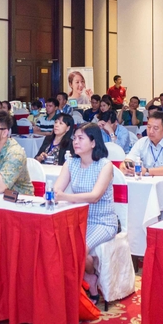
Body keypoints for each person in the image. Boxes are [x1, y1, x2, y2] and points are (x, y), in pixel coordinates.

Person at [52, 122, 118, 293]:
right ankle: (76, 281)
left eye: (81, 138)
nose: (75, 142)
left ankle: (89, 277)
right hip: (78, 219)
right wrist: (57, 194)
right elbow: (57, 190)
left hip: (102, 222)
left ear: (93, 142)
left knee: (79, 248)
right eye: (74, 138)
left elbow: (94, 196)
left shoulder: (105, 165)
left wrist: (66, 197)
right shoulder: (71, 163)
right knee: (59, 244)